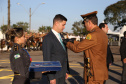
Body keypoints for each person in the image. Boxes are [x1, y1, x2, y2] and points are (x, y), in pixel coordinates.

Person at [65, 11, 108, 84]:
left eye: (85, 23)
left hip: (94, 75)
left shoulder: (93, 35)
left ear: (89, 22)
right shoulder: (102, 34)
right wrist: (73, 41)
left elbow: (77, 48)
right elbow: (86, 44)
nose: (84, 25)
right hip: (100, 73)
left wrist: (67, 43)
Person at [42, 14, 69, 84]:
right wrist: (51, 77)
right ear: (56, 23)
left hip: (62, 73)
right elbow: (47, 59)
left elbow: (64, 54)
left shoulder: (61, 36)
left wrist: (66, 71)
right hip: (55, 75)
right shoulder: (48, 38)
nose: (64, 27)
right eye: (63, 25)